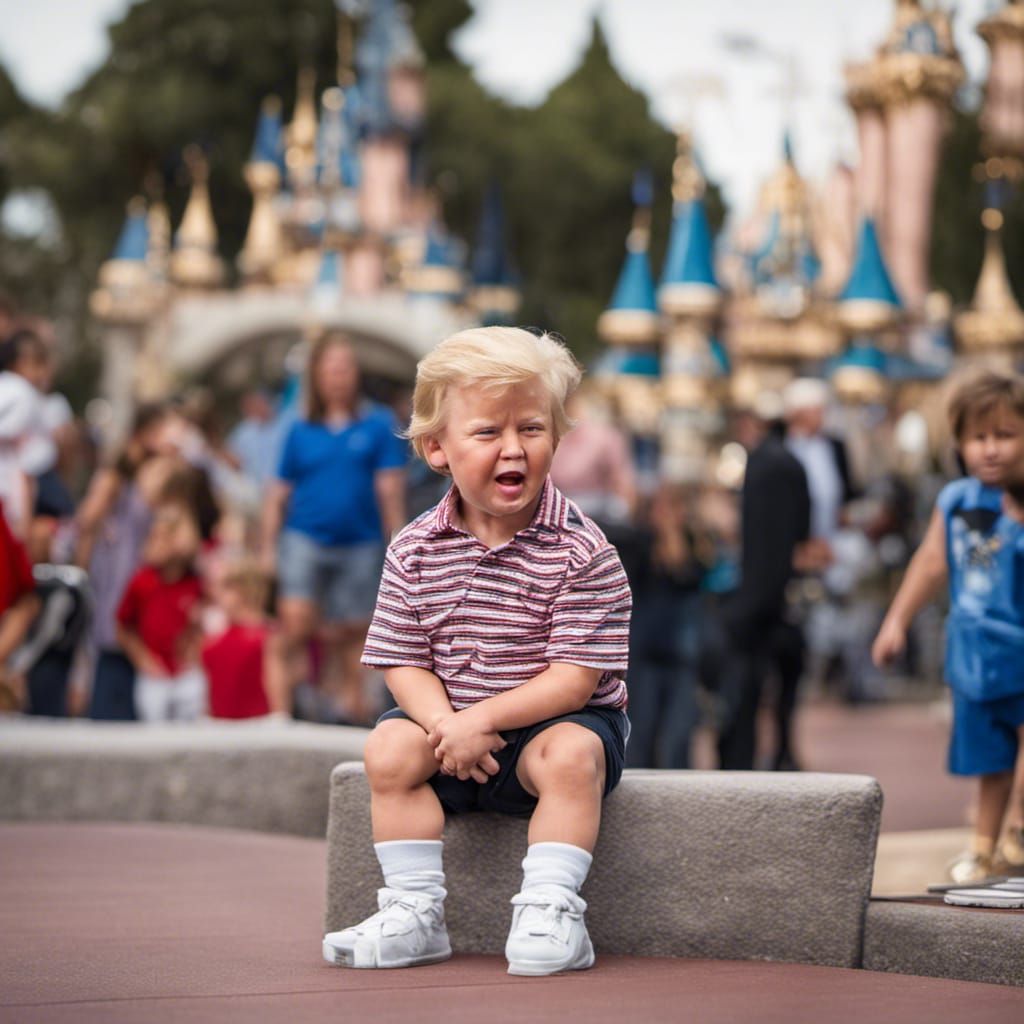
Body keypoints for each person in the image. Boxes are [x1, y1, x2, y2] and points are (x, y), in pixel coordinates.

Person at [322, 326, 631, 976]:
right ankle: (415, 910)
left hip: (546, 732)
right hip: (449, 732)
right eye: (488, 433)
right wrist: (444, 727)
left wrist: (478, 722)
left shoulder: (584, 552)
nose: (512, 448)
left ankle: (549, 906)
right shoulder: (413, 549)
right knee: (387, 748)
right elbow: (403, 661)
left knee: (574, 756)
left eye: (532, 428)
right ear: (437, 448)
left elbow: (573, 682)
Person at [872, 370, 1024, 884]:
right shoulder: (956, 501)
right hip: (975, 654)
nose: (991, 450)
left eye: (1006, 435)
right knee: (990, 758)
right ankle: (985, 845)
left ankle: (1018, 832)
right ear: (959, 443)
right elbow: (931, 561)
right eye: (978, 438)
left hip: (1019, 647)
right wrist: (896, 621)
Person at [261, 333, 406, 723]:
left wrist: (399, 544)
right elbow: (278, 493)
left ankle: (351, 709)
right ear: (317, 375)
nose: (338, 376)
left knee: (353, 631)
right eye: (330, 369)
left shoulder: (377, 423)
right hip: (304, 536)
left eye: (345, 367)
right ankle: (279, 712)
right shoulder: (298, 427)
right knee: (295, 623)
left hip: (360, 541)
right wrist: (266, 549)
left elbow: (389, 489)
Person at [718, 392, 810, 770]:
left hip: (758, 599)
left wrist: (747, 606)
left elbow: (757, 541)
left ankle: (743, 758)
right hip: (783, 593)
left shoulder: (762, 464)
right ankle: (783, 753)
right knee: (785, 689)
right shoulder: (791, 462)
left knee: (745, 689)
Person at [75, 403, 171, 721]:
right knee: (113, 636)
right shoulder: (118, 474)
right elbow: (88, 518)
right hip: (117, 567)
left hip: (136, 567)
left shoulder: (154, 469)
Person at [625, 483, 704, 769]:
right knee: (640, 732)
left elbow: (692, 577)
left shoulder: (694, 544)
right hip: (645, 650)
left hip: (681, 650)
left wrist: (675, 537)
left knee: (678, 735)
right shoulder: (640, 544)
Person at [116, 495, 205, 723]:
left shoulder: (196, 583)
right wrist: (143, 659)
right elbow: (123, 626)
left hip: (187, 673)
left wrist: (196, 649)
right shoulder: (142, 581)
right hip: (154, 674)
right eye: (155, 536)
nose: (157, 543)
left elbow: (204, 625)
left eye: (165, 537)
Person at [201, 558, 271, 720]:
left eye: (224, 586)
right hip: (219, 732)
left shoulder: (268, 638)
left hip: (258, 733)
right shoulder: (213, 638)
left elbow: (278, 701)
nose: (214, 593)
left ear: (243, 589)